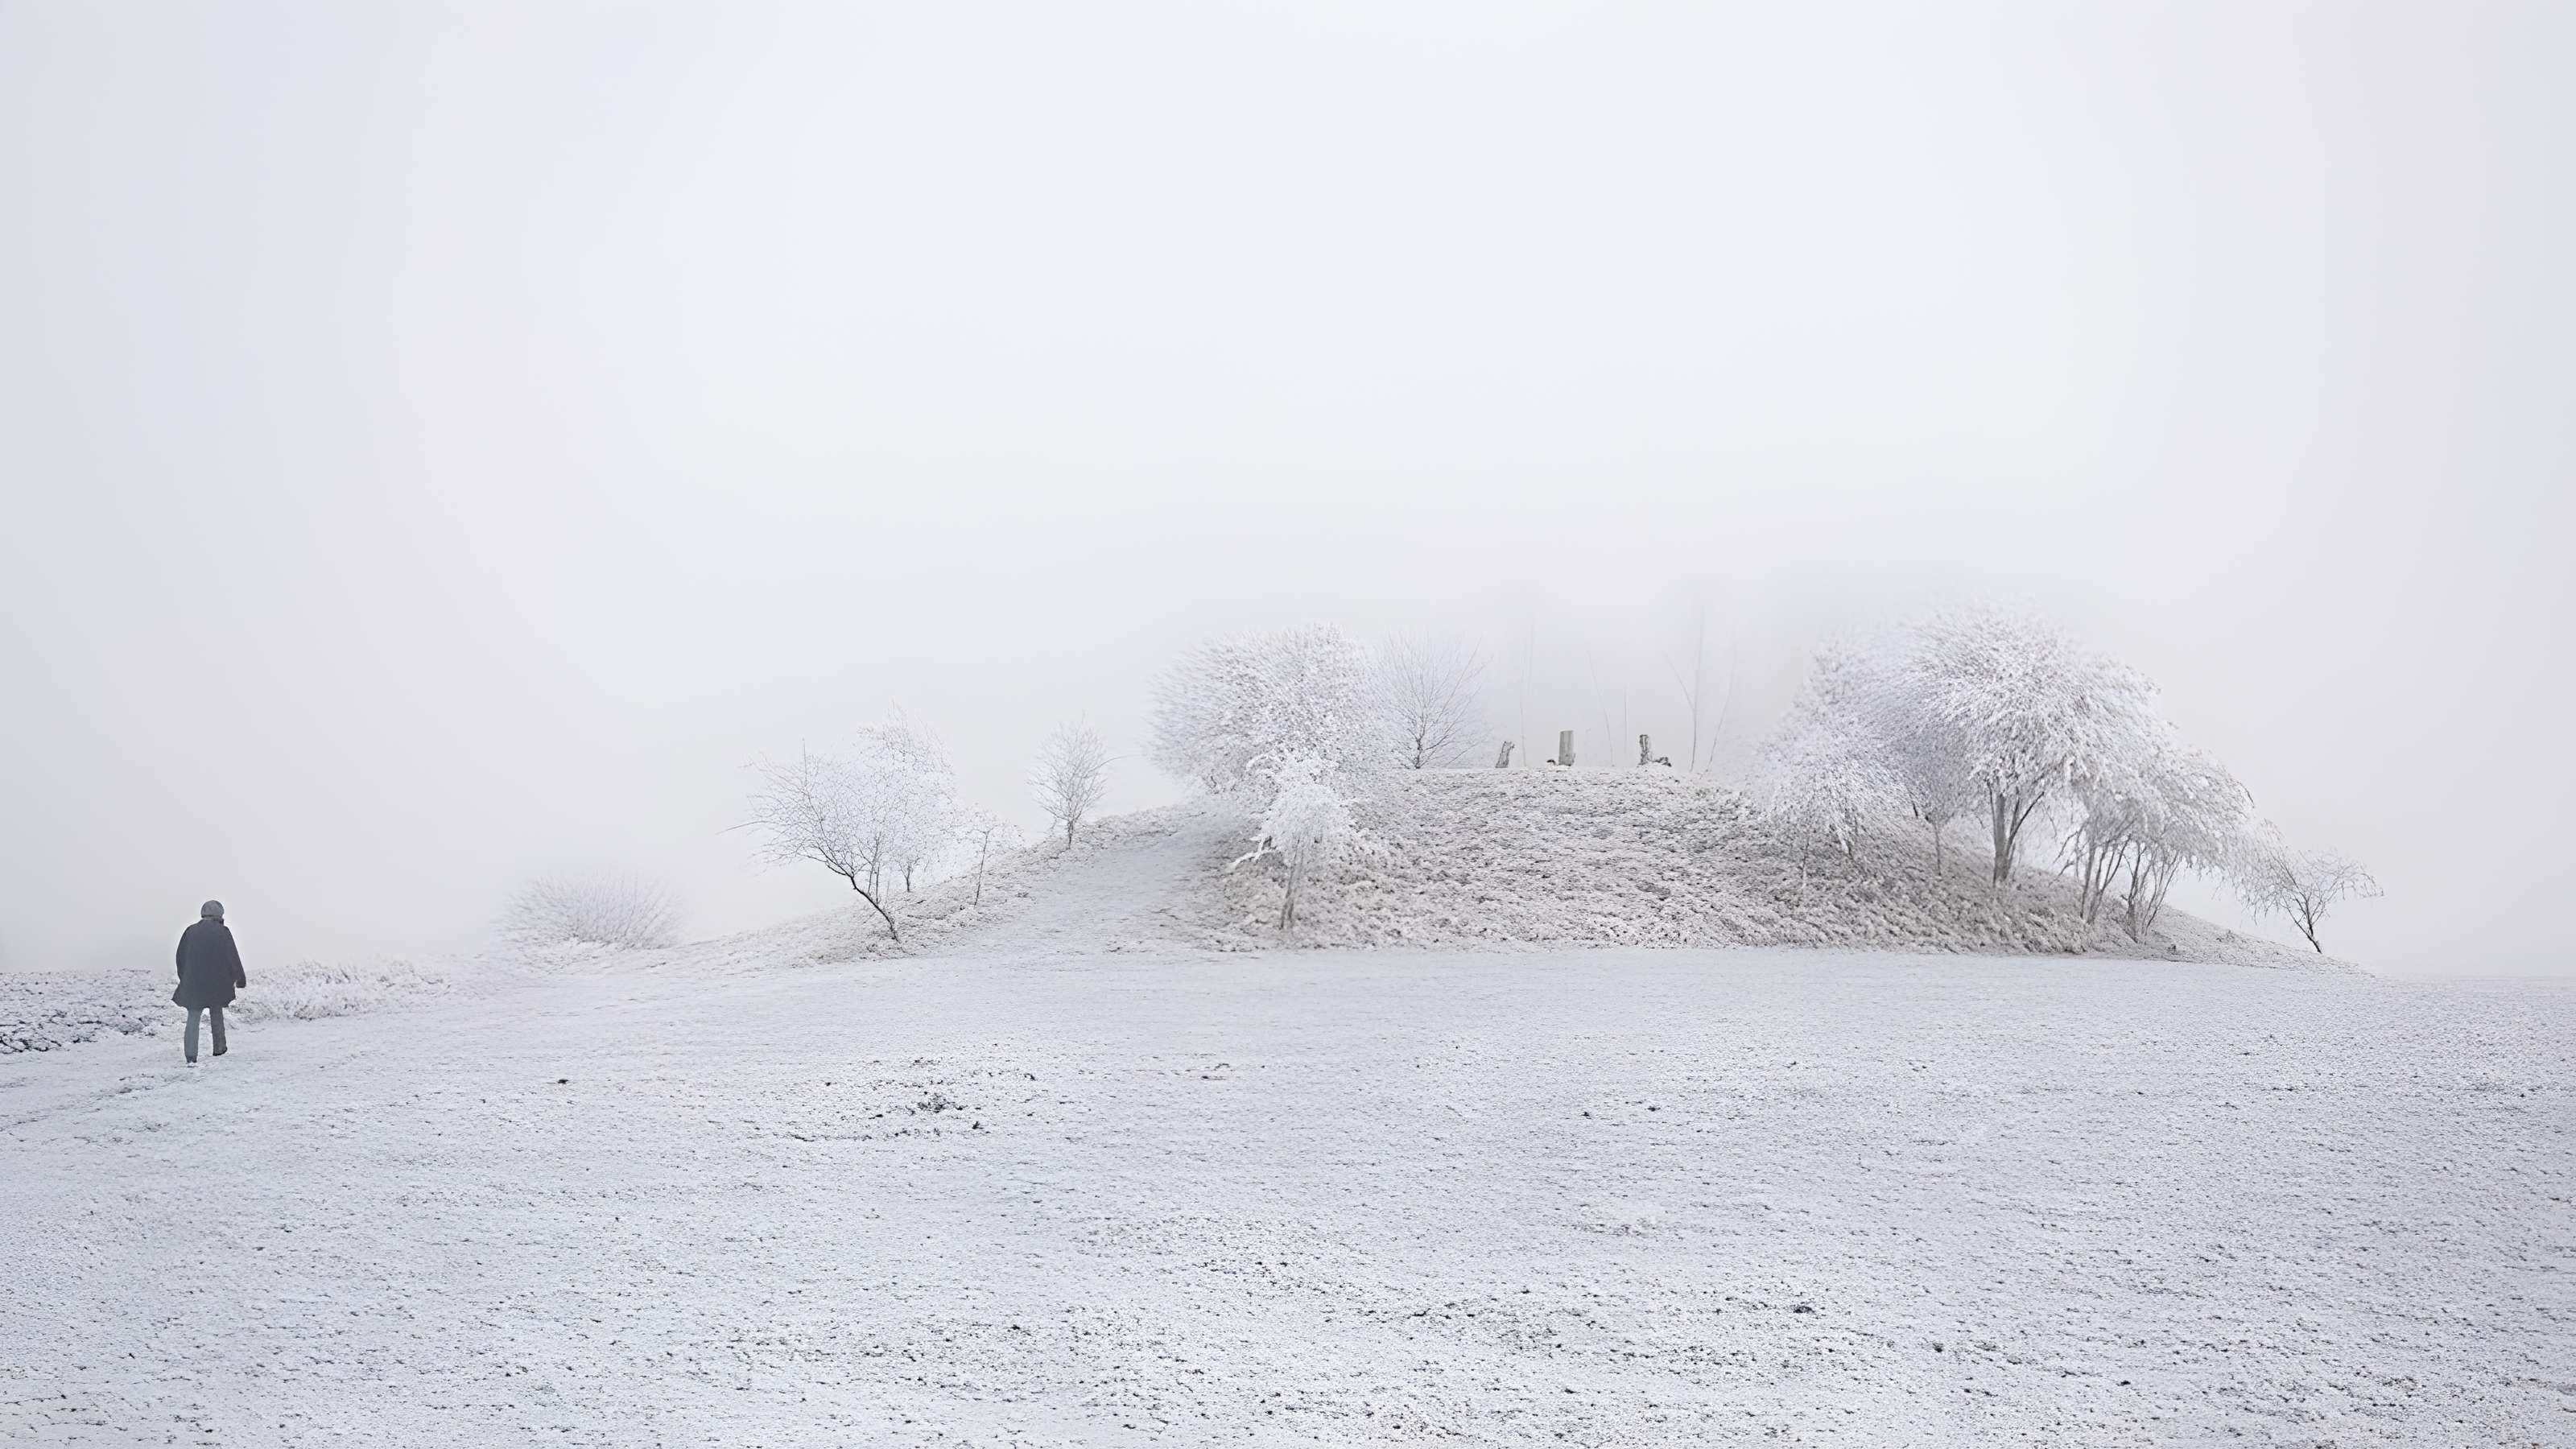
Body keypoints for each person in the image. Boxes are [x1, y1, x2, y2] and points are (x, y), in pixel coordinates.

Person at [174, 900, 247, 1065]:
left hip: (194, 984)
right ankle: (219, 1048)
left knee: (193, 1017)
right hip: (216, 983)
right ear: (219, 915)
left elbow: (180, 957)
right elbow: (232, 957)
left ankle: (191, 1055)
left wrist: (184, 977)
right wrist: (239, 979)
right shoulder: (223, 932)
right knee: (217, 1013)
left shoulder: (190, 932)